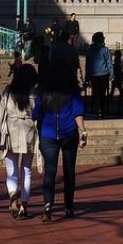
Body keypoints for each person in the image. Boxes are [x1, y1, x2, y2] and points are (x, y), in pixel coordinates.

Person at [33, 67, 87, 221]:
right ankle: (68, 206)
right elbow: (78, 114)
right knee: (69, 171)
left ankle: (48, 204)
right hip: (69, 132)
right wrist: (84, 132)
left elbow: (36, 114)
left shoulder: (44, 93)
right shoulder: (72, 93)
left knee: (50, 170)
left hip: (48, 135)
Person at [0, 63, 41, 219]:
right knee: (27, 170)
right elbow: (38, 113)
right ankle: (25, 204)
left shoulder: (8, 91)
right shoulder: (34, 92)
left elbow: (1, 113)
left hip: (10, 131)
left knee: (11, 170)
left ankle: (12, 195)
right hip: (28, 131)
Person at [85, 32, 113, 118]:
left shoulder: (89, 50)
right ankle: (102, 110)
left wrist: (87, 77)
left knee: (96, 93)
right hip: (104, 74)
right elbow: (109, 63)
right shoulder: (105, 50)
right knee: (102, 93)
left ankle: (97, 111)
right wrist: (112, 74)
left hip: (94, 75)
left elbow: (88, 64)